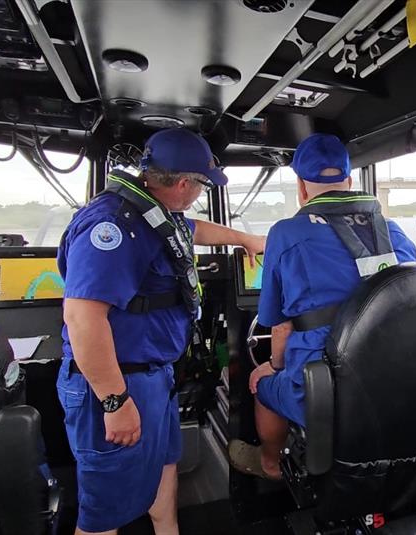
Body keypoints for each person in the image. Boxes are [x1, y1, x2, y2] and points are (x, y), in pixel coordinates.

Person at [56, 128, 265, 535]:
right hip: (117, 383)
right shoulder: (113, 225)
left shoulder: (155, 211)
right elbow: (82, 319)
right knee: (104, 511)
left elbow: (191, 230)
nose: (202, 192)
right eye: (203, 184)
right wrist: (115, 401)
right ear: (185, 183)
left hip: (154, 377)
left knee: (163, 466)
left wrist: (243, 239)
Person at [228, 133, 416, 480]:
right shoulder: (392, 231)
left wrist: (272, 366)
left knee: (262, 386)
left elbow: (281, 326)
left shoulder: (285, 235)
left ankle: (270, 464)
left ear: (301, 187)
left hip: (323, 386)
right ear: (349, 180)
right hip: (393, 374)